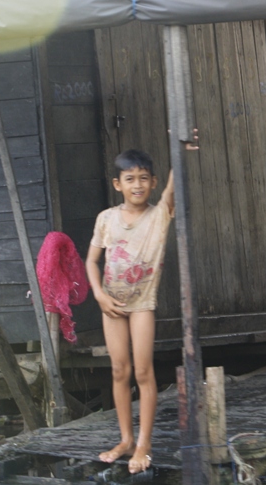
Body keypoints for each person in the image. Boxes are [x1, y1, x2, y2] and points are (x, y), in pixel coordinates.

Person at [85, 149, 175, 474]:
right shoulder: (106, 219)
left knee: (143, 373)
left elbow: (173, 187)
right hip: (112, 305)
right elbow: (91, 261)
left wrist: (180, 147)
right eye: (129, 179)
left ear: (152, 182)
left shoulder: (160, 213)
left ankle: (144, 444)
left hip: (141, 306)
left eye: (143, 179)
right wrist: (98, 295)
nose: (137, 185)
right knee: (119, 372)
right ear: (117, 183)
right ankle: (125, 440)